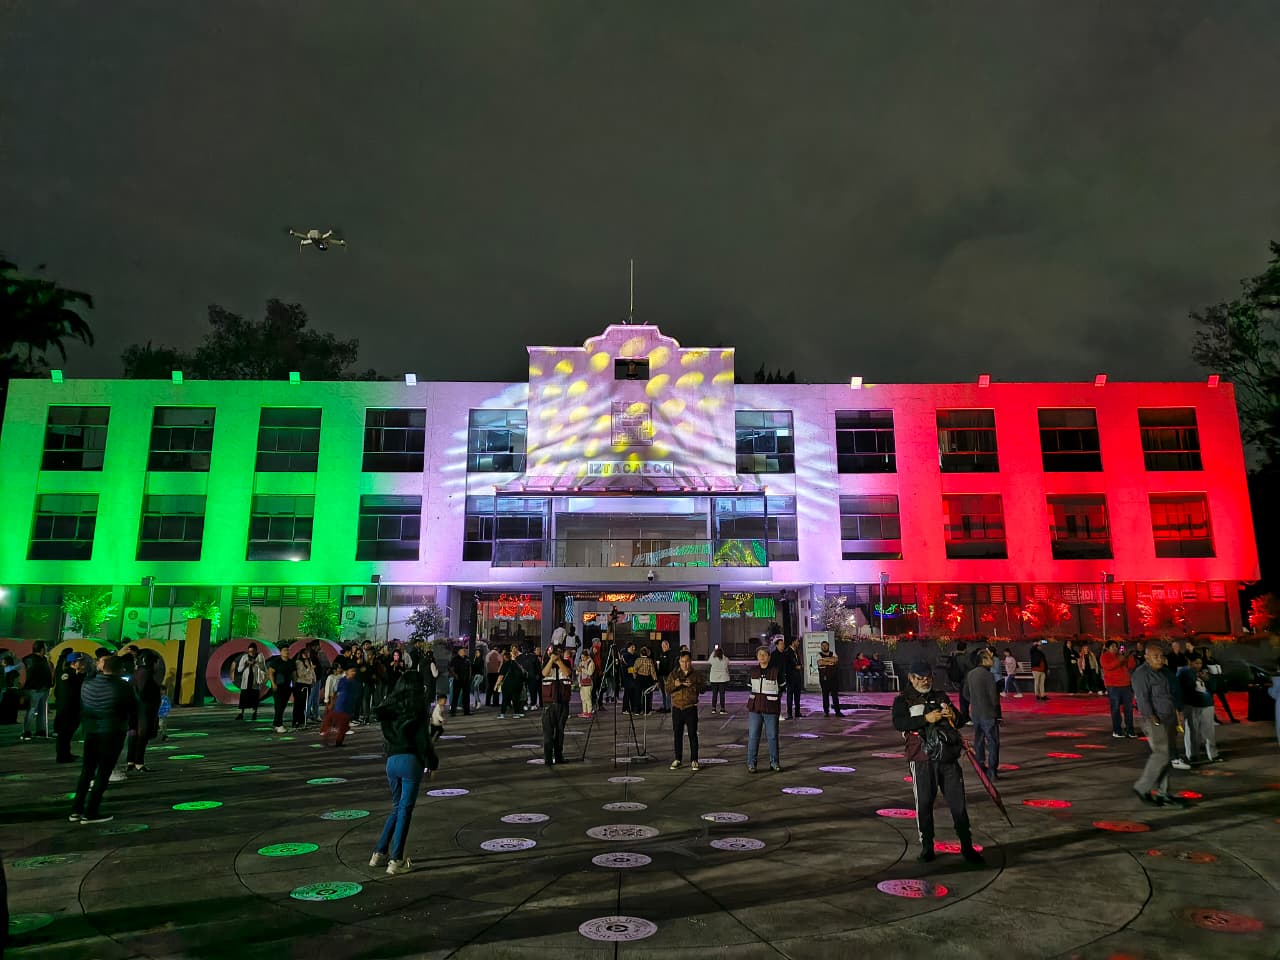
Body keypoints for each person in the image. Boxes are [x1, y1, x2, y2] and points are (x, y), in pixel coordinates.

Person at [891, 660, 984, 864]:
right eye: (920, 678)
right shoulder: (903, 700)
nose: (925, 681)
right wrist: (926, 719)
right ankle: (927, 846)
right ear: (911, 678)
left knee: (958, 804)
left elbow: (960, 721)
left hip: (948, 758)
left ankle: (967, 845)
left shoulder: (941, 696)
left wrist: (953, 715)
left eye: (928, 678)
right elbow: (899, 723)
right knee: (924, 803)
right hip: (921, 759)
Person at [369, 672, 438, 877]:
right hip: (410, 761)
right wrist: (432, 763)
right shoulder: (417, 708)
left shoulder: (389, 707)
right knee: (405, 810)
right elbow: (423, 740)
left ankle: (379, 853)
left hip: (391, 761)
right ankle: (396, 859)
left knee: (397, 806)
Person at [70, 655, 136, 824]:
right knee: (104, 772)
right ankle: (91, 811)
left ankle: (76, 809)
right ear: (120, 669)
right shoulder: (122, 686)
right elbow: (132, 709)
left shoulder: (88, 683)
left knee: (87, 771)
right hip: (113, 731)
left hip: (91, 731)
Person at [1130, 644, 1190, 807]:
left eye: (1161, 656)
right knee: (1161, 754)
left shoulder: (1165, 672)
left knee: (1168, 756)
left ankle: (1163, 793)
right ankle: (1142, 787)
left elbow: (1174, 691)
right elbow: (1142, 699)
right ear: (1147, 658)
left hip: (1169, 718)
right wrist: (1153, 718)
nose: (1160, 659)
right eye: (1155, 657)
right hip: (1154, 720)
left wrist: (1179, 710)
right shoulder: (1141, 674)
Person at [964, 648, 1001, 782]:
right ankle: (992, 770)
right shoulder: (988, 675)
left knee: (978, 740)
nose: (992, 660)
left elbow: (965, 693)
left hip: (976, 713)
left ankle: (980, 766)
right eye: (990, 658)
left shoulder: (970, 674)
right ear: (983, 660)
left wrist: (975, 701)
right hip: (988, 713)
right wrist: (996, 711)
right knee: (993, 742)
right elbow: (994, 698)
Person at [666, 650, 707, 770]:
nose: (685, 664)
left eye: (687, 661)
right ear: (679, 661)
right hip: (677, 707)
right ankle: (677, 759)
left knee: (692, 734)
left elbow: (704, 688)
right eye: (683, 661)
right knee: (677, 734)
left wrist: (693, 685)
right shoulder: (674, 674)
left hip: (690, 707)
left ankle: (694, 760)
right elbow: (667, 689)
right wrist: (675, 684)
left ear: (690, 661)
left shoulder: (696, 674)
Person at [1177, 652, 1220, 764]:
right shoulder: (1183, 672)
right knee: (1192, 731)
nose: (1198, 665)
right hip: (1192, 705)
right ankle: (1192, 755)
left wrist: (1207, 679)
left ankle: (1213, 754)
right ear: (1190, 662)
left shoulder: (1205, 671)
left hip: (1207, 704)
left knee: (1209, 731)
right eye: (1196, 663)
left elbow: (1214, 688)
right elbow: (1182, 689)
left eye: (1200, 663)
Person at [746, 646, 782, 773]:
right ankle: (751, 763)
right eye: (759, 654)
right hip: (755, 708)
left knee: (772, 737)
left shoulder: (776, 671)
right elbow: (749, 686)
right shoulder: (753, 671)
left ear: (769, 657)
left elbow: (782, 687)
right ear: (757, 657)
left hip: (771, 709)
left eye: (764, 654)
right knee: (753, 736)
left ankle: (774, 762)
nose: (762, 656)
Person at [126, 651, 162, 772]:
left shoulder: (136, 674)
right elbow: (145, 694)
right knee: (142, 736)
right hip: (144, 711)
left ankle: (131, 761)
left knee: (133, 734)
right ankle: (139, 762)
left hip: (135, 710)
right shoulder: (147, 675)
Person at [541, 644, 574, 766]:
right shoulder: (546, 663)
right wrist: (551, 660)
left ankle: (559, 756)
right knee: (548, 733)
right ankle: (548, 759)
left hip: (562, 702)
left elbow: (567, 673)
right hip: (549, 704)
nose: (556, 654)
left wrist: (559, 661)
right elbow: (544, 673)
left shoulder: (566, 663)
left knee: (560, 732)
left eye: (559, 652)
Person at [54, 652, 87, 763]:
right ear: (73, 663)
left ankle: (66, 753)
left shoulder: (73, 674)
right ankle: (62, 756)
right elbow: (70, 693)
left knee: (67, 734)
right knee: (65, 733)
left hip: (70, 709)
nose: (83, 663)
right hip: (69, 709)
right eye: (80, 661)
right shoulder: (68, 675)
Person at [1100, 640, 1136, 739]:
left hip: (1126, 685)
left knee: (1128, 709)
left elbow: (1131, 665)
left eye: (1116, 646)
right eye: (1112, 646)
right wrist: (1121, 658)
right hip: (1113, 686)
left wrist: (1129, 656)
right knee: (1115, 709)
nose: (1115, 648)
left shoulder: (1120, 656)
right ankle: (1117, 730)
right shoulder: (1105, 657)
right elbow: (1110, 666)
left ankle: (1130, 729)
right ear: (1107, 648)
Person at [20, 641, 53, 740]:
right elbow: (31, 674)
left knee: (41, 710)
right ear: (42, 649)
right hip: (34, 689)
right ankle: (27, 731)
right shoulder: (31, 660)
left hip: (42, 688)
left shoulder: (42, 659)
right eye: (45, 648)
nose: (47, 650)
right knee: (32, 710)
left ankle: (40, 730)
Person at [321, 665, 360, 747]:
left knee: (344, 726)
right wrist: (332, 703)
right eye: (352, 671)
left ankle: (338, 742)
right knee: (335, 722)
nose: (353, 673)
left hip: (348, 707)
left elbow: (356, 696)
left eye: (354, 671)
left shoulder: (355, 683)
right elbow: (336, 692)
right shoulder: (342, 680)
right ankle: (327, 738)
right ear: (347, 672)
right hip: (340, 705)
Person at [267, 645, 296, 734]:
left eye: (287, 650)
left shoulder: (291, 662)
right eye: (284, 650)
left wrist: (294, 684)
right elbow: (270, 673)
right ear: (281, 652)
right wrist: (273, 684)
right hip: (277, 687)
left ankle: (276, 724)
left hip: (287, 687)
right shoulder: (276, 662)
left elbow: (294, 674)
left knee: (282, 705)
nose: (286, 652)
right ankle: (279, 725)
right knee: (279, 705)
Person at [234, 643, 266, 721]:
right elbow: (239, 670)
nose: (251, 653)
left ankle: (254, 713)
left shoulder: (260, 656)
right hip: (246, 681)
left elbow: (263, 668)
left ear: (256, 650)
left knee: (254, 697)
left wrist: (256, 663)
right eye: (250, 651)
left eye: (253, 651)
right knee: (243, 697)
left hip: (255, 681)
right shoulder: (244, 657)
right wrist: (245, 664)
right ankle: (241, 713)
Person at [815, 640, 843, 716]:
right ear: (821, 647)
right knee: (825, 695)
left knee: (835, 695)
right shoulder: (818, 654)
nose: (824, 647)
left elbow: (835, 660)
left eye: (825, 645)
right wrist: (830, 661)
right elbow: (820, 663)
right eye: (823, 646)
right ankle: (826, 711)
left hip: (833, 677)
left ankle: (837, 711)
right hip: (824, 678)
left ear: (828, 646)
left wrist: (825, 660)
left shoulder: (833, 653)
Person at [292, 648, 316, 730]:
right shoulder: (298, 662)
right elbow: (300, 673)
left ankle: (302, 720)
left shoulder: (309, 661)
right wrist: (309, 669)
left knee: (304, 703)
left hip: (308, 683)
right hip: (301, 684)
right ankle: (296, 721)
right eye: (305, 653)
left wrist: (314, 680)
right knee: (298, 703)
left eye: (308, 653)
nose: (307, 654)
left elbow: (312, 672)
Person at [498, 648, 525, 719]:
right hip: (517, 685)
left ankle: (502, 714)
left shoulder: (505, 665)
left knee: (505, 699)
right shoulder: (516, 664)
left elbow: (501, 676)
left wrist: (497, 685)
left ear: (505, 657)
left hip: (507, 685)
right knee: (516, 699)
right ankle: (517, 713)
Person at [633, 646, 658, 714]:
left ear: (640, 653)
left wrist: (635, 677)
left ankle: (637, 711)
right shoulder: (649, 660)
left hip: (639, 678)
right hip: (647, 679)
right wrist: (655, 680)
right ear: (647, 653)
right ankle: (646, 710)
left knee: (638, 694)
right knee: (647, 695)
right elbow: (653, 671)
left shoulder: (637, 660)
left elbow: (634, 670)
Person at [784, 636, 805, 720]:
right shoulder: (787, 652)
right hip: (790, 677)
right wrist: (794, 667)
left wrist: (800, 666)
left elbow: (798, 662)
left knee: (797, 695)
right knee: (790, 696)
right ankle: (789, 713)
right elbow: (787, 665)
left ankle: (797, 712)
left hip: (797, 676)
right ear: (793, 642)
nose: (798, 643)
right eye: (797, 641)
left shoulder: (796, 651)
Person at [448, 646, 471, 717]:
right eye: (462, 651)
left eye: (464, 651)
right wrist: (455, 675)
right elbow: (450, 668)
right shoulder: (455, 659)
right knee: (455, 696)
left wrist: (469, 677)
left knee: (466, 696)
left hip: (466, 680)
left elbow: (469, 668)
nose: (463, 652)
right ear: (459, 652)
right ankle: (453, 712)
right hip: (458, 680)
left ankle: (467, 711)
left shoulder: (467, 658)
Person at [708, 645, 730, 714]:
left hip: (714, 679)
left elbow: (709, 661)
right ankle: (722, 709)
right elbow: (727, 664)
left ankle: (713, 708)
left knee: (714, 694)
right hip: (722, 679)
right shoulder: (725, 659)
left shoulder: (713, 659)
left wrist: (714, 650)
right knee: (722, 694)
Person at [656, 639, 676, 713]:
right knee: (661, 692)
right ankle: (663, 706)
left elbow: (671, 665)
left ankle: (668, 707)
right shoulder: (661, 653)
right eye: (662, 646)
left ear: (668, 646)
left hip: (667, 675)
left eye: (665, 645)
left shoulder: (671, 654)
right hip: (661, 675)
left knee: (667, 692)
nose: (664, 647)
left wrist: (670, 674)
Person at [576, 645, 596, 719]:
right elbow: (578, 673)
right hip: (581, 683)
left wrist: (582, 670)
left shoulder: (591, 663)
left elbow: (590, 673)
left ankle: (589, 712)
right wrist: (578, 670)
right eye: (581, 657)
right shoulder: (581, 662)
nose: (582, 659)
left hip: (588, 683)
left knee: (588, 698)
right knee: (583, 699)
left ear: (587, 656)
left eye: (583, 657)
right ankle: (584, 712)